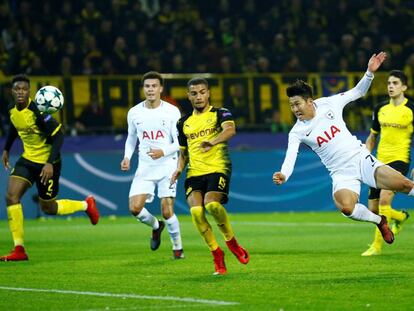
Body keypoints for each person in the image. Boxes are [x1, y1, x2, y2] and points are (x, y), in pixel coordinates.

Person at [273, 52, 414, 247]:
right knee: (347, 208)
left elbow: (357, 92)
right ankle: (380, 221)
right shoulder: (297, 132)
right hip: (341, 173)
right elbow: (290, 157)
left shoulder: (329, 104)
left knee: (406, 185)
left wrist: (369, 73)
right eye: (291, 106)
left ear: (309, 101)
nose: (295, 109)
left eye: (297, 104)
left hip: (361, 159)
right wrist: (284, 174)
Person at [1, 74, 99, 262]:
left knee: (48, 207)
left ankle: (86, 205)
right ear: (12, 92)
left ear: (29, 92)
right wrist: (6, 148)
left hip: (48, 163)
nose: (20, 92)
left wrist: (49, 163)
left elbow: (59, 136)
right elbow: (15, 127)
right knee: (11, 197)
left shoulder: (38, 112)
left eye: (24, 89)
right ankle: (19, 249)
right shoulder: (11, 109)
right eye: (17, 89)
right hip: (27, 160)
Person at [170, 77, 249, 275]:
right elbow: (183, 153)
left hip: (217, 167)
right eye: (194, 93)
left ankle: (231, 242)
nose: (198, 96)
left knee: (212, 204)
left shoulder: (220, 113)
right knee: (196, 212)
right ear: (188, 96)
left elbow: (230, 130)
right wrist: (179, 169)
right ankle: (216, 253)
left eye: (202, 92)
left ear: (208, 93)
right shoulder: (183, 123)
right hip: (194, 172)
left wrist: (212, 142)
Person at [120, 71, 184, 259]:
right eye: (147, 86)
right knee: (134, 209)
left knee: (167, 210)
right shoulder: (134, 112)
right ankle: (156, 227)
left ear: (161, 88)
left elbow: (179, 141)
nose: (150, 89)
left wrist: (162, 152)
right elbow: (131, 138)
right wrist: (127, 157)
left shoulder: (172, 111)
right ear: (143, 89)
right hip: (146, 167)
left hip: (168, 165)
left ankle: (177, 248)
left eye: (154, 86)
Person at [361, 70, 412, 256]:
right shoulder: (380, 108)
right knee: (373, 209)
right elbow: (372, 136)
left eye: (395, 83)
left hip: (400, 160)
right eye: (389, 83)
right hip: (378, 162)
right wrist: (365, 154)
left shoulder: (411, 110)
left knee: (384, 200)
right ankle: (400, 217)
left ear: (404, 87)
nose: (390, 86)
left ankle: (376, 246)